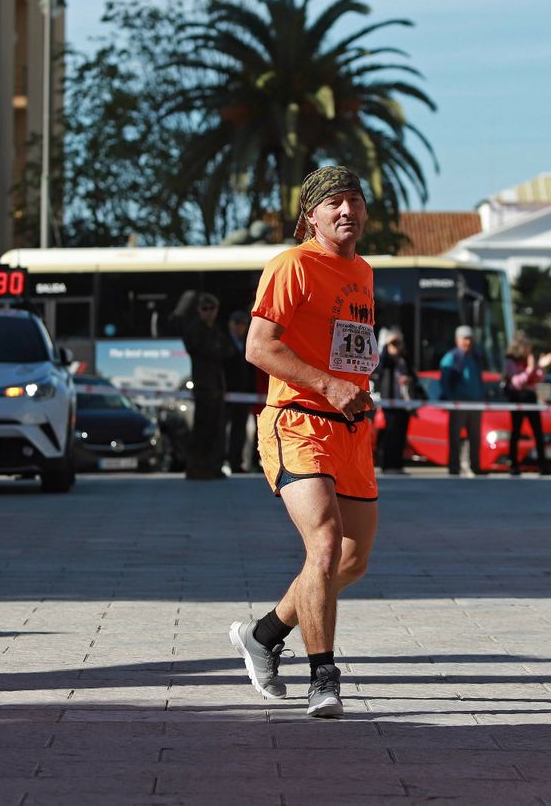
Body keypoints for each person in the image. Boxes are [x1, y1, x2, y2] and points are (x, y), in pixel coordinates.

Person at [230, 165, 379, 719]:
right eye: (334, 203)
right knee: (324, 543)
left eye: (355, 201)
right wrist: (329, 385)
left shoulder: (363, 271)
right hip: (298, 419)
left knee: (353, 559)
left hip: (351, 426)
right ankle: (324, 677)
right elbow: (259, 347)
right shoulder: (290, 265)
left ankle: (264, 634)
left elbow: (345, 348)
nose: (347, 211)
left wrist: (357, 387)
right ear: (310, 216)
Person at [180, 292, 231, 480]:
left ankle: (212, 466)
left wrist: (216, 348)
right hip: (203, 386)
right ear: (199, 310)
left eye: (212, 309)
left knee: (216, 429)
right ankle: (195, 468)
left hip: (217, 385)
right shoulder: (195, 329)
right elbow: (199, 348)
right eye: (205, 309)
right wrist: (214, 349)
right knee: (202, 429)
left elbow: (227, 351)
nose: (209, 313)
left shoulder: (216, 330)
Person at [439, 325, 488, 477]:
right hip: (459, 404)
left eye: (470, 339)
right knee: (455, 437)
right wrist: (451, 399)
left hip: (475, 403)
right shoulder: (452, 357)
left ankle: (475, 465)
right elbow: (445, 380)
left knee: (475, 437)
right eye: (465, 339)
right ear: (458, 340)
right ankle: (454, 466)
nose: (468, 342)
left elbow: (479, 379)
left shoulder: (476, 356)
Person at [502, 336, 551, 476]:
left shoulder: (529, 360)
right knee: (516, 432)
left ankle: (542, 465)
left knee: (538, 432)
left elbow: (539, 379)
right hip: (517, 399)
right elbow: (516, 383)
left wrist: (540, 367)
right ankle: (513, 463)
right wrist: (530, 369)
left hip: (530, 398)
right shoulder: (510, 361)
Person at [372, 328, 413, 474]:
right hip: (388, 402)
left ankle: (398, 464)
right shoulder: (385, 359)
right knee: (388, 434)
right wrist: (385, 346)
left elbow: (413, 375)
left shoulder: (405, 359)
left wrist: (409, 380)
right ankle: (387, 464)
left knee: (401, 434)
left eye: (398, 343)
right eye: (393, 344)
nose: (396, 346)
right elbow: (379, 368)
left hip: (404, 402)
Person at [223, 309, 256, 473]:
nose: (240, 327)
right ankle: (220, 462)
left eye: (243, 323)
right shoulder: (223, 342)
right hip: (226, 394)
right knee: (221, 429)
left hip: (243, 394)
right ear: (230, 324)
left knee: (240, 429)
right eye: (237, 323)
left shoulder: (248, 342)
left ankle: (236, 463)